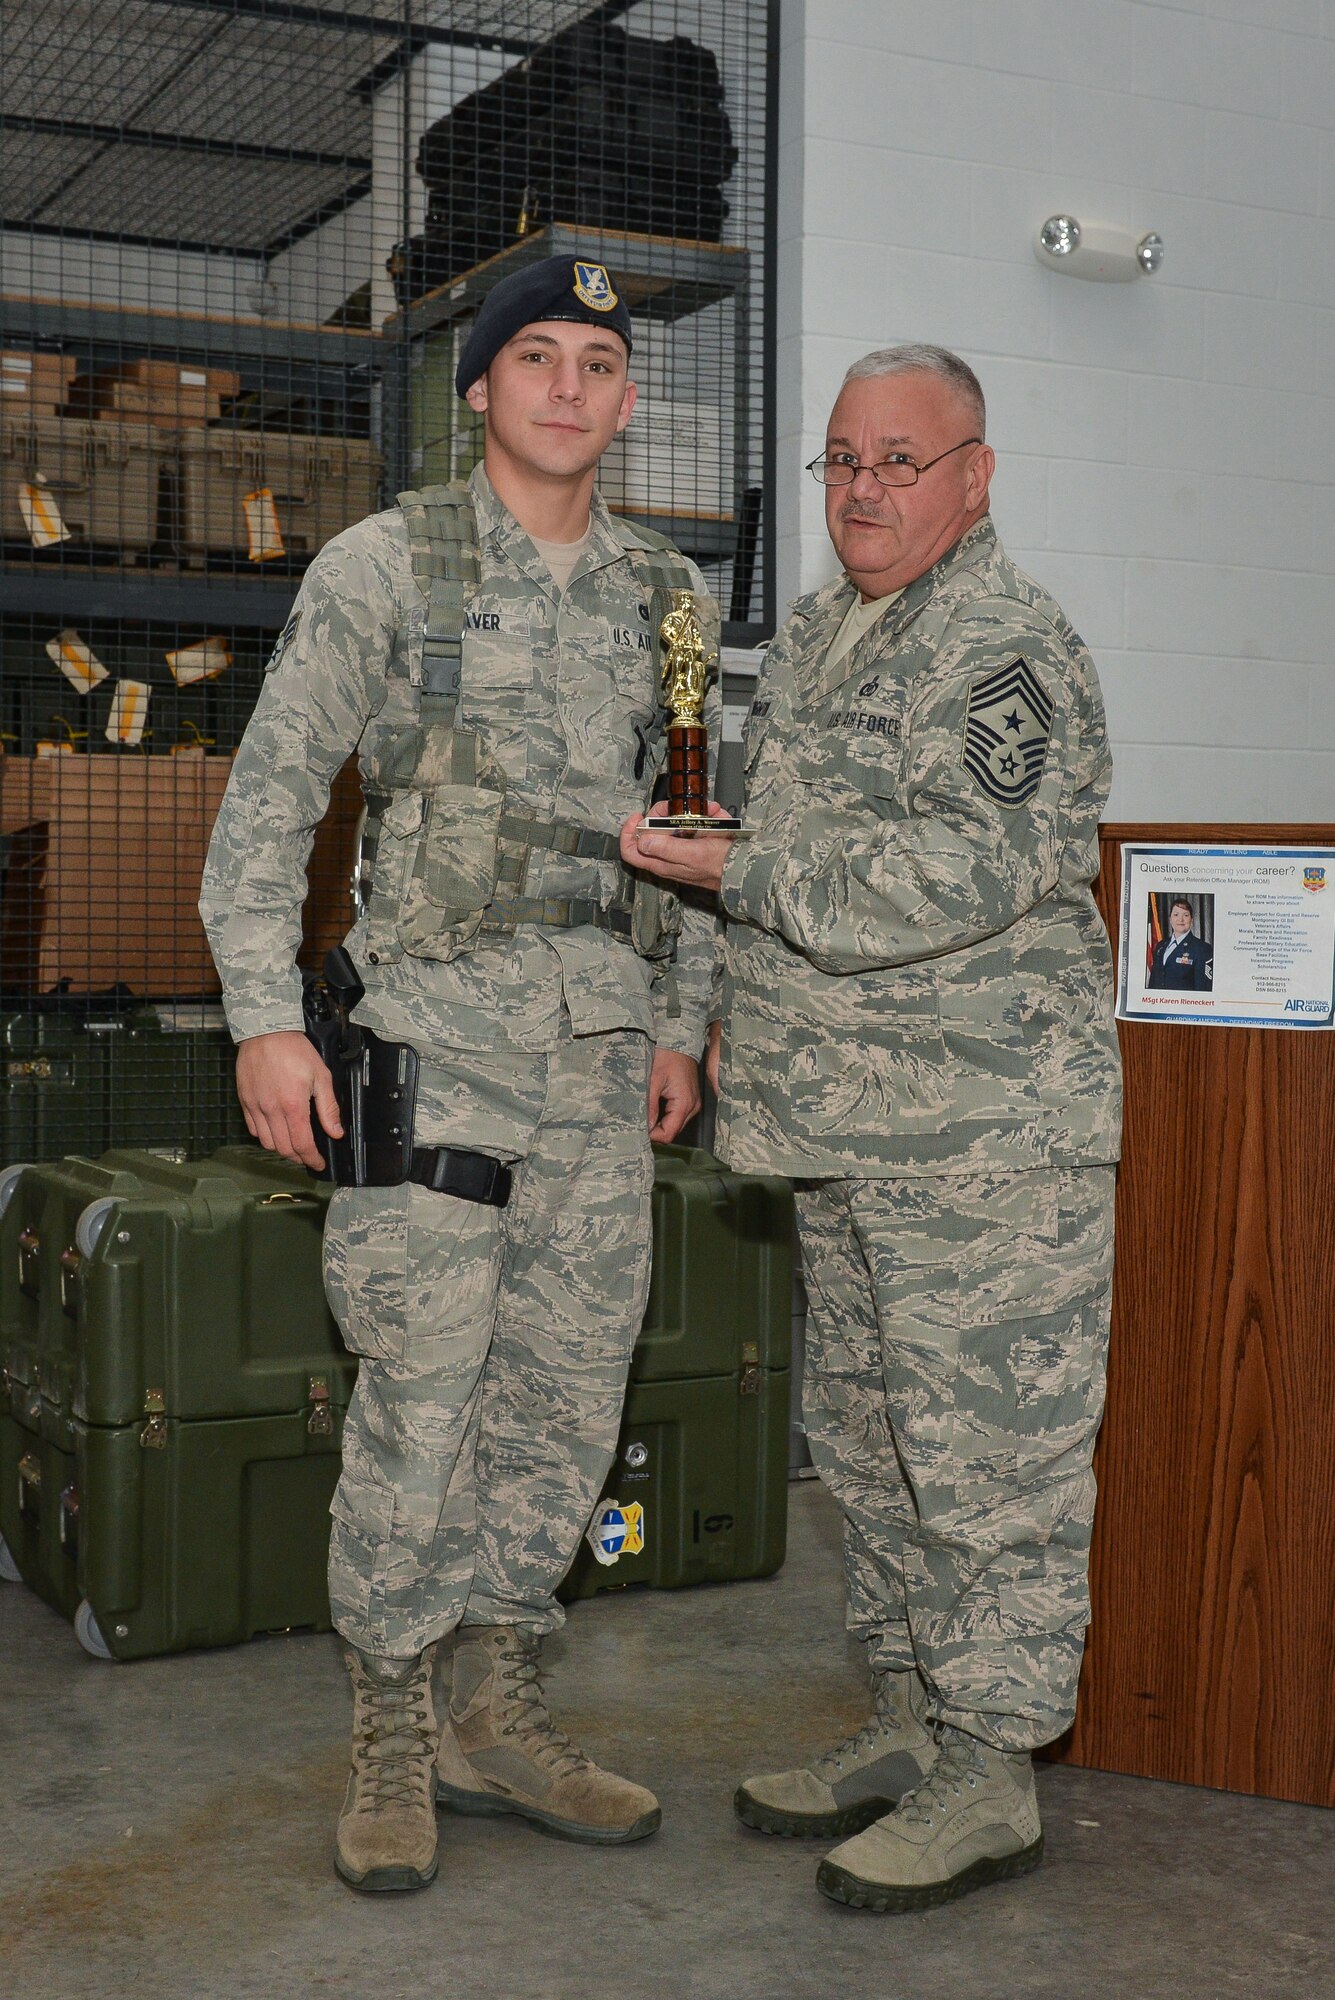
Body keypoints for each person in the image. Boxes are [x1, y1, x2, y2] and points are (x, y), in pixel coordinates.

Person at [200, 254, 720, 1895]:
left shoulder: (664, 595)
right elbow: (272, 799)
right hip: (426, 1047)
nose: (569, 385)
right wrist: (263, 1018)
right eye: (537, 358)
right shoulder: (388, 568)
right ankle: (393, 1729)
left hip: (599, 1051)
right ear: (478, 388)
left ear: (627, 404)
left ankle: (501, 1713)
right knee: (422, 1406)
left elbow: (696, 832)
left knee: (568, 1399)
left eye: (598, 363)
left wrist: (687, 1022)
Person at [621, 344, 1122, 1914]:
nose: (860, 491)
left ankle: (992, 1772)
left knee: (988, 1469)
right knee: (874, 1452)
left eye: (897, 462)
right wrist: (695, 1005)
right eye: (842, 461)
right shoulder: (830, 635)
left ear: (974, 475)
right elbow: (751, 837)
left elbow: (956, 879)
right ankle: (910, 1719)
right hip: (838, 1134)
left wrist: (733, 877)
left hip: (980, 1146)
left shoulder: (1004, 649)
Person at [1148, 898, 1211, 989]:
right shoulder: (1160, 946)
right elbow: (1153, 982)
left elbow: (1203, 989)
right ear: (1170, 919)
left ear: (1191, 920)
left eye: (1185, 915)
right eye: (1176, 915)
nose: (1180, 919)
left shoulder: (1202, 949)